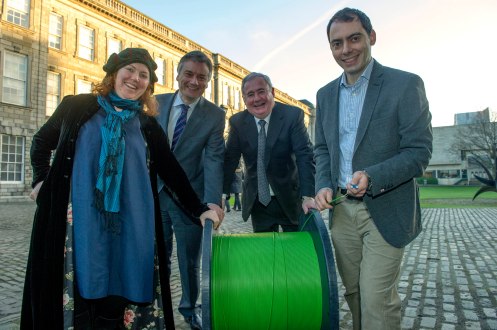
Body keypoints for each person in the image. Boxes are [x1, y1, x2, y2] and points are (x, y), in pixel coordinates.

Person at [21, 48, 221, 330]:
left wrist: (200, 210)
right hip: (80, 220)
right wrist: (41, 182)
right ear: (114, 74)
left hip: (132, 222)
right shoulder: (76, 107)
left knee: (121, 289)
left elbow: (172, 173)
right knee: (82, 285)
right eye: (130, 70)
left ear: (148, 86)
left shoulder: (148, 124)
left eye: (144, 75)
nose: (135, 79)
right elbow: (41, 142)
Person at [310, 8, 433, 329]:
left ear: (371, 37)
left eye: (354, 38)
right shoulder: (324, 95)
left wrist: (373, 176)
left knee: (376, 299)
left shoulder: (404, 85)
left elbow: (419, 152)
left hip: (387, 209)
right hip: (341, 214)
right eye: (337, 43)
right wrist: (323, 184)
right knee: (354, 294)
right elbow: (322, 149)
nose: (346, 49)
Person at [155, 50, 225, 329]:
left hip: (190, 201)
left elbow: (214, 158)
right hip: (154, 195)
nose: (195, 82)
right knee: (155, 258)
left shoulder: (215, 115)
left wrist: (210, 202)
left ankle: (189, 308)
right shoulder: (154, 103)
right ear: (178, 74)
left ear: (208, 81)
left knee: (189, 262)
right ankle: (157, 308)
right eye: (189, 74)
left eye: (202, 77)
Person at [223, 72, 315, 233]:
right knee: (265, 255)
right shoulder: (237, 122)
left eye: (261, 91)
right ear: (244, 99)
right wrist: (221, 195)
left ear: (272, 93)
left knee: (293, 252)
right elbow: (230, 160)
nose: (257, 98)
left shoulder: (292, 116)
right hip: (259, 203)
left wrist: (308, 196)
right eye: (250, 95)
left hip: (290, 198)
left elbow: (304, 156)